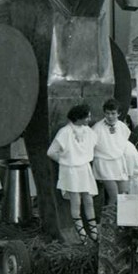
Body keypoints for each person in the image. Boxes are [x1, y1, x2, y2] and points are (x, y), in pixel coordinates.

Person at [47, 104, 98, 243]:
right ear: (78, 117)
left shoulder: (88, 131)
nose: (89, 119)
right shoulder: (65, 132)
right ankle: (82, 235)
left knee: (89, 200)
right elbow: (51, 152)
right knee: (76, 201)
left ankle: (94, 233)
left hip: (84, 169)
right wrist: (65, 161)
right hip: (71, 171)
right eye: (87, 116)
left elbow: (94, 145)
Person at [92, 98, 131, 206]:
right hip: (104, 164)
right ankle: (110, 222)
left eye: (113, 113)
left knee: (124, 195)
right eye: (107, 113)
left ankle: (122, 222)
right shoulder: (97, 128)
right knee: (113, 196)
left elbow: (124, 144)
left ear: (118, 114)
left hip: (119, 163)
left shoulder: (123, 127)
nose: (110, 116)